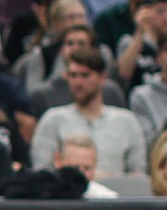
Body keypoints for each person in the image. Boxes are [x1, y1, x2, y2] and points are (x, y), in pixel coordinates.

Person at [28, 47, 146, 175]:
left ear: (102, 78)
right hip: (68, 186)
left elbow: (138, 173)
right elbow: (41, 171)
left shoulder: (127, 121)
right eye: (73, 75)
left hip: (115, 186)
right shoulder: (52, 119)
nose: (78, 82)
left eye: (85, 75)